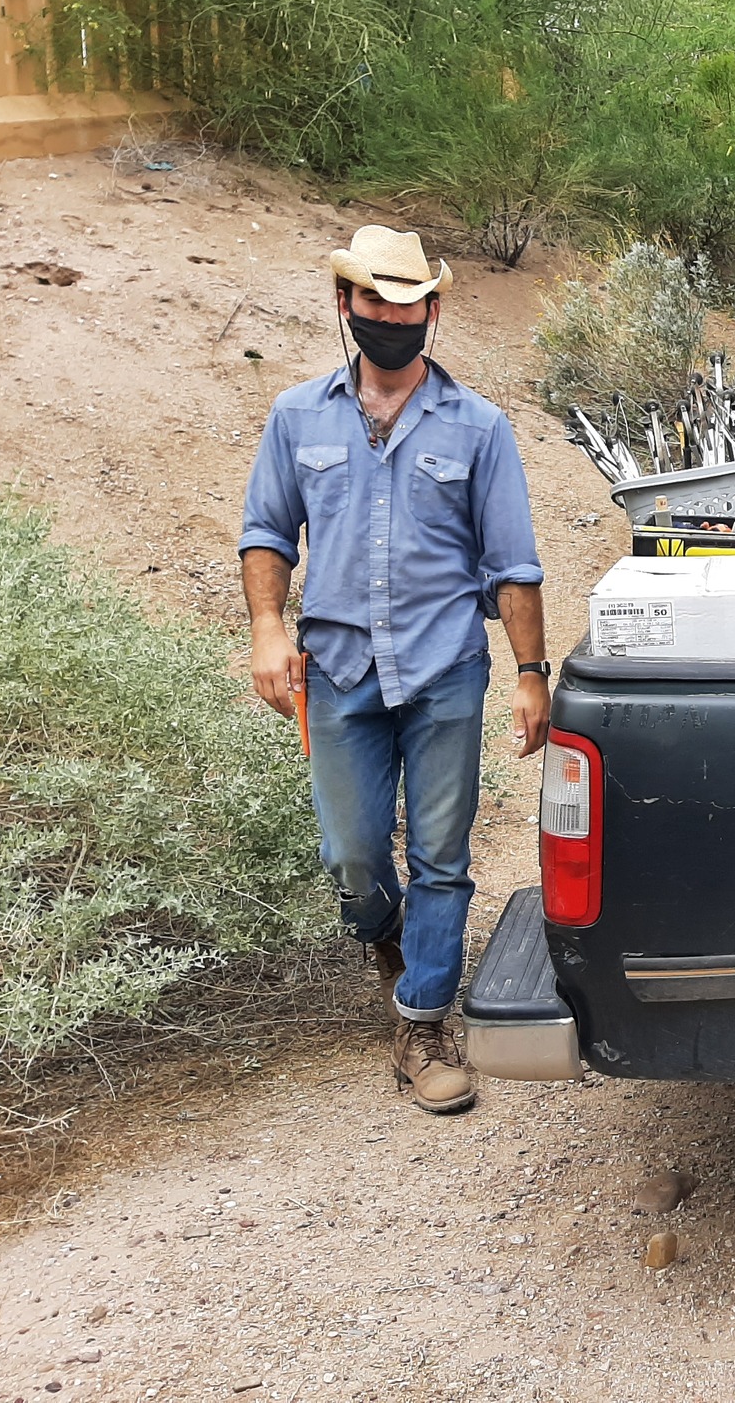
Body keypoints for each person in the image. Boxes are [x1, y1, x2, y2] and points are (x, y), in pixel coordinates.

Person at [238, 225, 550, 1115]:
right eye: (377, 302)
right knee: (353, 854)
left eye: (410, 304)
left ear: (434, 311)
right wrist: (268, 629)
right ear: (347, 305)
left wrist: (531, 672)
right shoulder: (299, 416)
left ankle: (421, 1023)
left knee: (442, 858)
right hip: (336, 668)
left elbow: (513, 563)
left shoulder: (480, 427)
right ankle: (392, 940)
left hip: (447, 666)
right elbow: (267, 532)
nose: (394, 318)